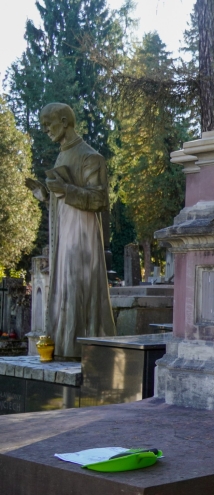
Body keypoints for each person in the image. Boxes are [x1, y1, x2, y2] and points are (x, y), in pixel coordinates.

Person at [26, 102, 115, 359]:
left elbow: (99, 199)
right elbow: (63, 195)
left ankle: (81, 348)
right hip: (64, 235)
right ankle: (63, 346)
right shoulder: (63, 153)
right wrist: (45, 194)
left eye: (48, 124)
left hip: (82, 235)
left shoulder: (90, 156)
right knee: (64, 286)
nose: (45, 130)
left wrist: (66, 190)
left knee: (78, 286)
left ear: (64, 122)